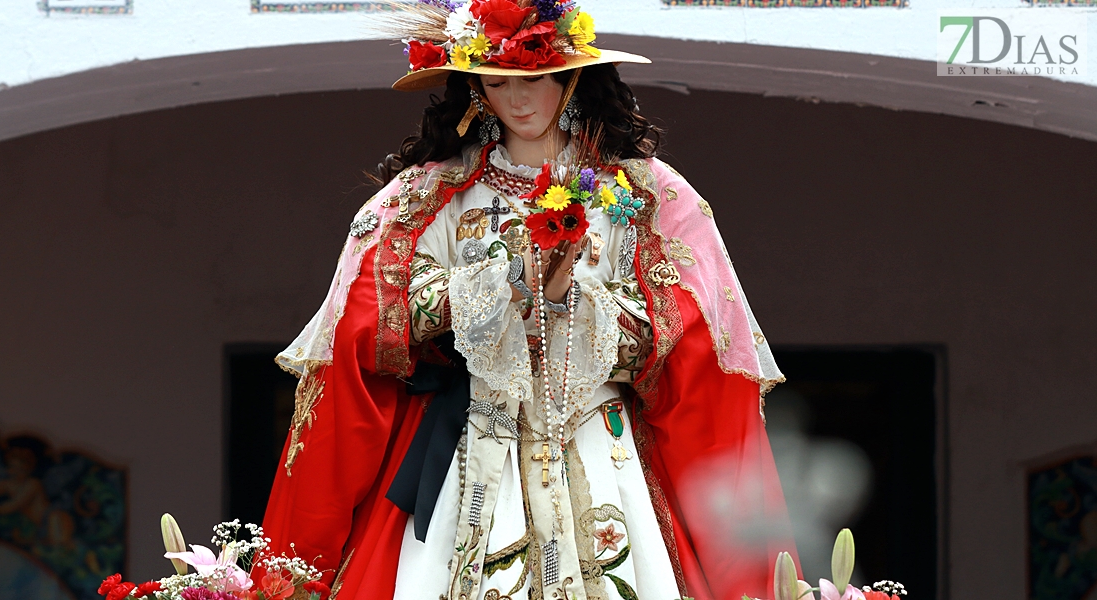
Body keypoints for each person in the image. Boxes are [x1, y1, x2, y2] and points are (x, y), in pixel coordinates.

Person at [259, 2, 795, 599]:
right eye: (497, 84)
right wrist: (500, 289)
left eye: (535, 81)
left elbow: (687, 327)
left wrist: (575, 301)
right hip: (470, 438)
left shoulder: (646, 193)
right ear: (475, 89)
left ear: (570, 78)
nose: (518, 101)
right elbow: (373, 310)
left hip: (599, 435)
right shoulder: (430, 193)